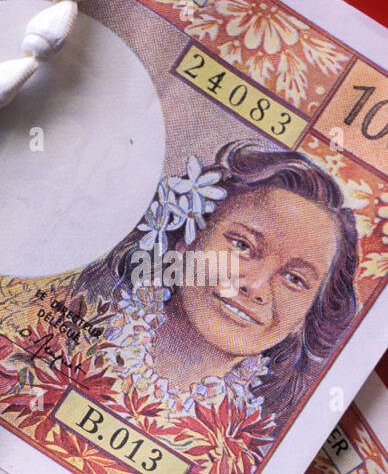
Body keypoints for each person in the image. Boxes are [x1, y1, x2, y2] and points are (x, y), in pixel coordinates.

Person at [73, 141, 359, 424]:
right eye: (243, 246)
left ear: (305, 319)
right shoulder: (80, 328)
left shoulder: (249, 442)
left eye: (295, 279)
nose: (256, 287)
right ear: (189, 239)